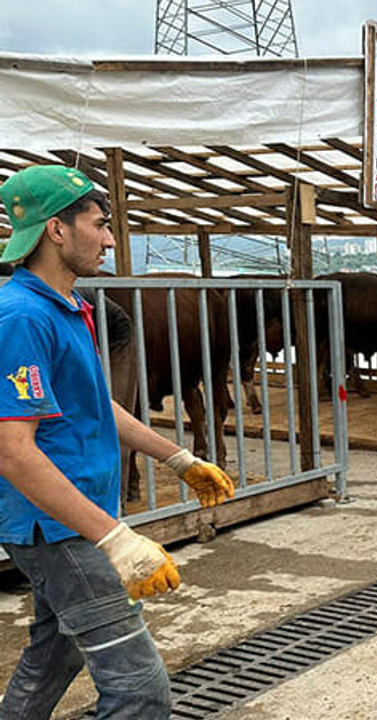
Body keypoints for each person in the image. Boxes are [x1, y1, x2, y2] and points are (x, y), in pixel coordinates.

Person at [0, 165, 236, 719]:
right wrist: (116, 540)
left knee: (54, 655)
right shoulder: (22, 318)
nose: (109, 240)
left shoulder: (66, 308)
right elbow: (13, 450)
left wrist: (177, 457)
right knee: (139, 690)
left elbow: (93, 405)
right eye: (100, 225)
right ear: (57, 230)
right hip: (59, 529)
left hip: (75, 519)